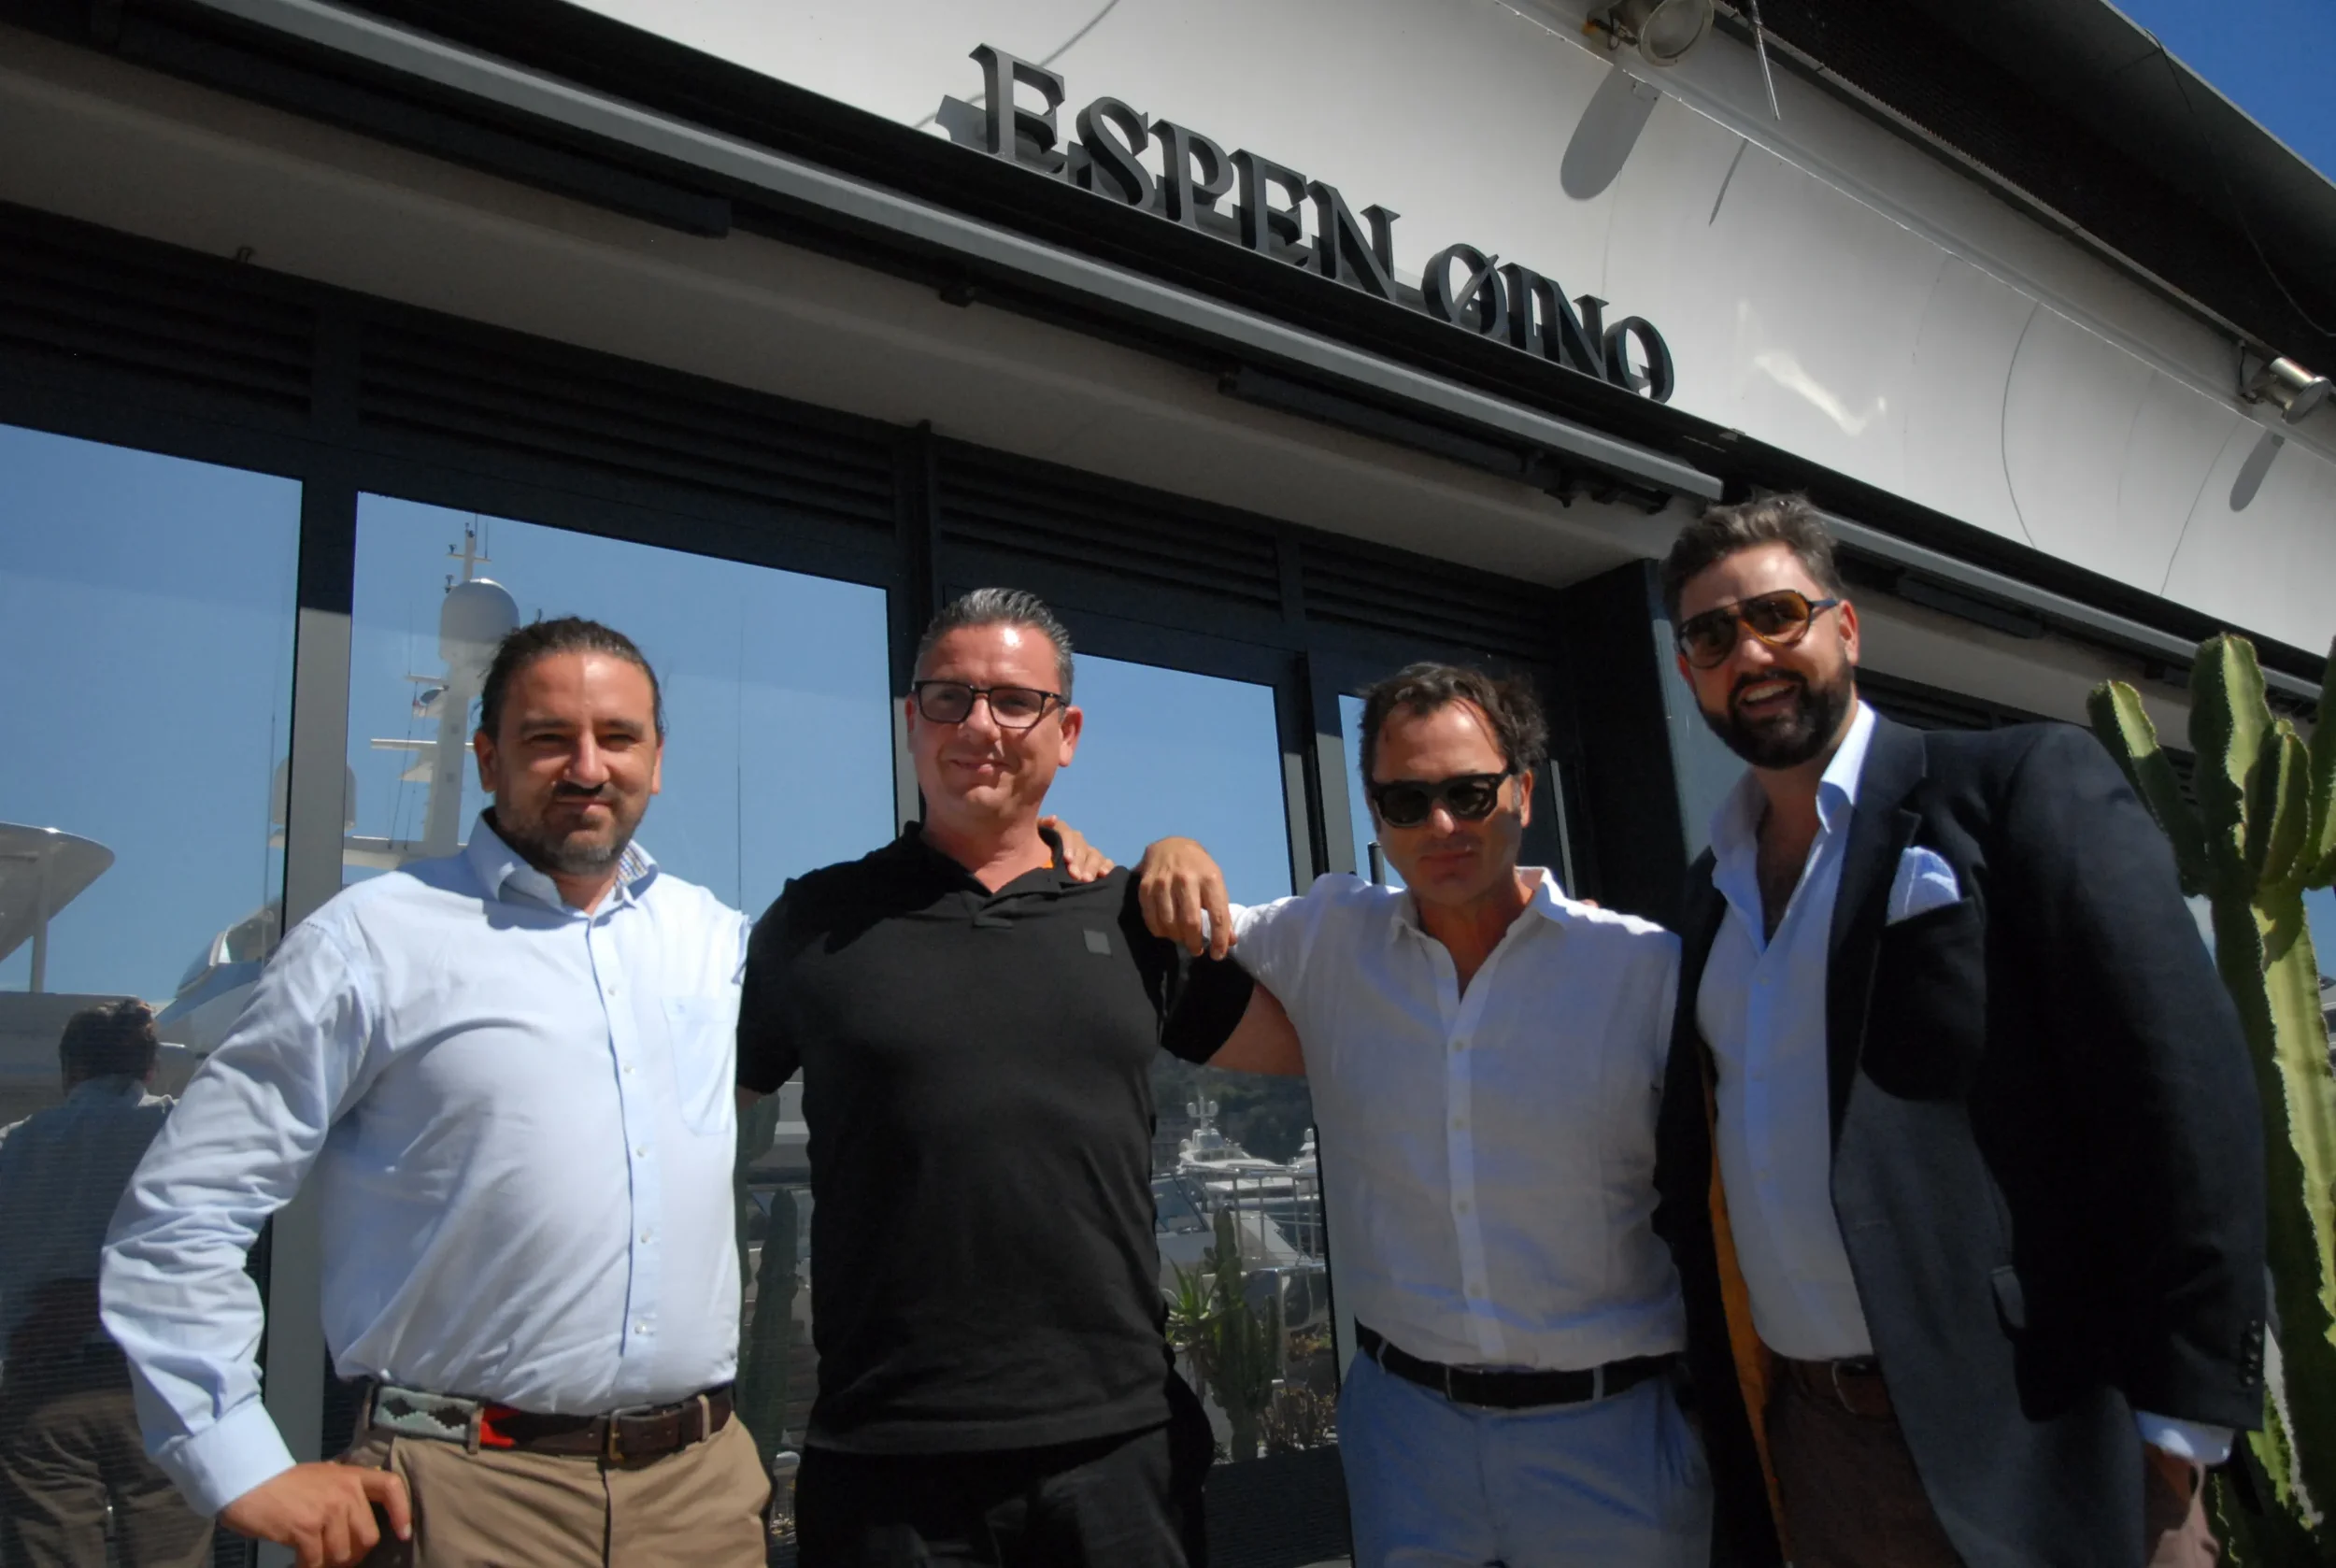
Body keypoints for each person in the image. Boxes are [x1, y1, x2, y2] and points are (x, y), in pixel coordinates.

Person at [1649, 494, 2265, 1568]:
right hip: (1816, 1444)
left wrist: (2181, 1416)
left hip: (2044, 1438)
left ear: (1846, 627)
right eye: (1711, 635)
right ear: (1686, 668)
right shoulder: (1710, 893)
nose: (1748, 650)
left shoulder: (2016, 789)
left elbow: (2181, 1090)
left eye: (1777, 614)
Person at [101, 617, 769, 1568]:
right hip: (459, 1503)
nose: (587, 766)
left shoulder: (716, 940)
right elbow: (183, 1210)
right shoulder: (372, 941)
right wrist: (237, 1459)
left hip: (700, 1503)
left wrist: (1048, 864)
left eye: (617, 737)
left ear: (657, 761)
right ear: (488, 758)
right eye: (548, 738)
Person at [736, 588, 1293, 1568]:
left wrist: (1187, 857)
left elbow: (1324, 1049)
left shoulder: (1138, 919)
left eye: (1012, 701)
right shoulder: (813, 925)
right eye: (948, 699)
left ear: (1065, 729)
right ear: (911, 722)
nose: (978, 725)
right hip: (885, 1463)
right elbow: (683, 1123)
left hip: (1123, 1452)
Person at [1123, 663, 1711, 1567]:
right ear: (1374, 812)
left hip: (1614, 1439)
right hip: (1407, 1439)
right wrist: (1172, 845)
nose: (1441, 824)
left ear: (1522, 788)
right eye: (1406, 801)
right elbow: (1181, 923)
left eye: (1470, 792)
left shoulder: (1641, 971)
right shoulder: (1330, 940)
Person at [0, 1000, 211, 1567]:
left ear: (70, 1071)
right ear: (149, 1069)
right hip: (158, 1380)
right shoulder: (180, 1131)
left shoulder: (12, 1147)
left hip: (42, 1381)